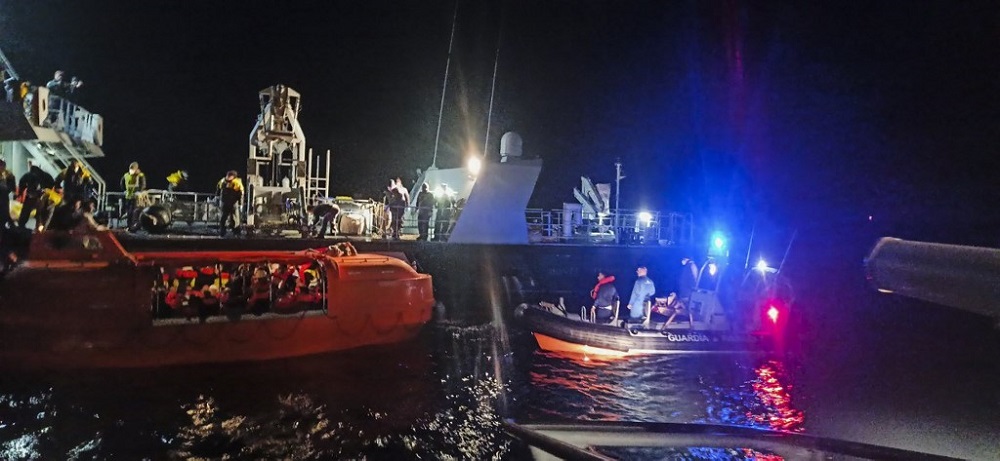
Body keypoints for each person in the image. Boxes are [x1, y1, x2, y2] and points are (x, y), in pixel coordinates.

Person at [216, 170, 244, 237]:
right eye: (227, 175)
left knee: (235, 218)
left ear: (233, 177)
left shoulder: (237, 183)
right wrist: (217, 198)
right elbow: (218, 190)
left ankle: (236, 233)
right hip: (224, 202)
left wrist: (241, 204)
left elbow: (241, 194)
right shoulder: (223, 181)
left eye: (230, 176)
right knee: (223, 218)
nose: (228, 177)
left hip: (233, 203)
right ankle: (222, 232)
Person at [121, 162, 146, 231]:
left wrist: (139, 191)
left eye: (133, 169)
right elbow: (122, 184)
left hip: (137, 197)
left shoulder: (140, 175)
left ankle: (135, 226)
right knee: (129, 212)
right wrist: (125, 190)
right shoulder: (126, 175)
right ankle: (129, 226)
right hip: (128, 196)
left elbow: (143, 185)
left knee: (135, 212)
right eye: (131, 169)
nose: (131, 170)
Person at [0, 160, 15, 229]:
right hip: (4, 198)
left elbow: (10, 188)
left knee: (4, 214)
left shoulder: (9, 175)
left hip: (3, 198)